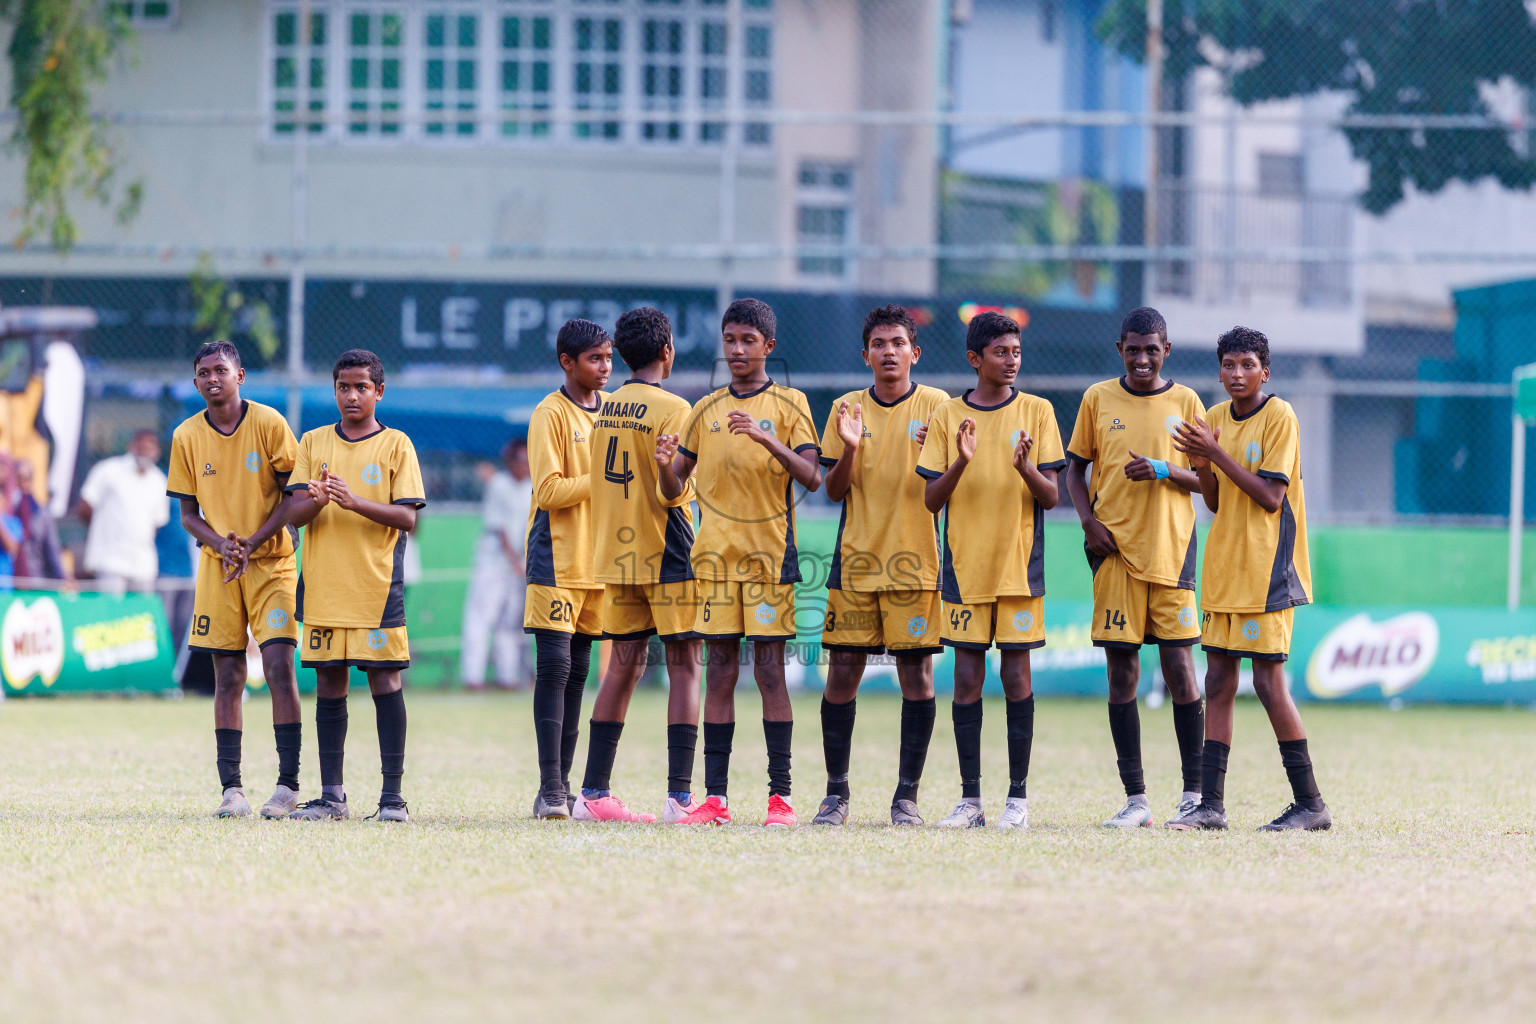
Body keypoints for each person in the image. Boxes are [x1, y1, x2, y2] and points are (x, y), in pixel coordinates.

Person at [658, 297, 823, 828]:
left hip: (768, 561)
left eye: (748, 340)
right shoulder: (703, 410)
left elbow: (813, 476)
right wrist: (665, 467)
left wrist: (764, 436)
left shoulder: (792, 403)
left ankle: (781, 799)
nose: (736, 349)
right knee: (720, 675)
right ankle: (716, 799)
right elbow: (674, 486)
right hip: (714, 563)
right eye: (730, 339)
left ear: (768, 346)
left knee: (771, 674)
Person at [1170, 326, 1331, 831]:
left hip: (1268, 572)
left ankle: (1311, 805)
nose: (1236, 374)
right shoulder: (1214, 418)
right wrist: (1201, 463)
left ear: (1265, 371)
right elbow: (1214, 501)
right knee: (1216, 681)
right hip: (1225, 569)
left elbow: (1270, 498)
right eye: (1228, 365)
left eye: (1247, 365)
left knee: (1267, 683)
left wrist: (1214, 455)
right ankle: (1211, 807)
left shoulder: (1280, 416)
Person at [915, 311, 1065, 830]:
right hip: (964, 569)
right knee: (966, 680)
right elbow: (931, 500)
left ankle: (1017, 801)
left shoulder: (1038, 411)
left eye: (1016, 352)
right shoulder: (948, 415)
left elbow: (1052, 496)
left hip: (1019, 570)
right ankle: (970, 801)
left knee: (1017, 675)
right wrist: (961, 460)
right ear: (975, 359)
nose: (1012, 360)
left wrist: (1025, 467)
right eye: (1001, 352)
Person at [1064, 307, 1208, 829]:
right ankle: (1136, 799)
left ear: (1166, 350)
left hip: (1172, 552)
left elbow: (1207, 482)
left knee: (1179, 671)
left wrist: (1166, 469)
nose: (1143, 358)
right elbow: (1074, 470)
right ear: (1119, 349)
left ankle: (1194, 795)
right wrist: (1087, 522)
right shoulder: (1097, 399)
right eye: (1133, 349)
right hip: (1115, 552)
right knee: (1122, 672)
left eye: (1152, 349)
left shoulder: (1188, 402)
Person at [813, 304, 948, 827]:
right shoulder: (847, 407)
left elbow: (950, 483)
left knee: (915, 676)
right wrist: (848, 449)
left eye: (898, 343)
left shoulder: (938, 406)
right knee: (842, 675)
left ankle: (906, 797)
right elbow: (833, 488)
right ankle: (836, 794)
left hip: (916, 566)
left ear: (915, 352)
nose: (888, 352)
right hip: (856, 564)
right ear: (865, 353)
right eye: (879, 343)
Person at [283, 349, 426, 823]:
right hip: (324, 587)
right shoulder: (313, 441)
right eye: (343, 386)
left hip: (377, 588)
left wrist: (353, 501)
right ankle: (332, 797)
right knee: (329, 681)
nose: (352, 395)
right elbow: (293, 514)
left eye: (362, 386)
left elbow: (407, 517)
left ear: (379, 391)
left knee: (385, 680)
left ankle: (392, 799)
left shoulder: (397, 445)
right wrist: (318, 501)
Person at [165, 340, 306, 820]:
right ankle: (233, 789)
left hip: (272, 564)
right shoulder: (186, 435)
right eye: (203, 372)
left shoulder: (268, 423)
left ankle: (288, 785)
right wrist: (223, 544)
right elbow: (188, 513)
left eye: (220, 370)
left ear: (240, 376)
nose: (211, 379)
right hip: (219, 567)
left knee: (279, 666)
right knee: (227, 677)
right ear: (196, 381)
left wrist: (252, 540)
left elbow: (295, 495)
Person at [573, 306, 701, 824]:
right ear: (667, 350)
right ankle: (679, 799)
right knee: (686, 666)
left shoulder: (604, 408)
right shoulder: (676, 408)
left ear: (623, 355)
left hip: (617, 551)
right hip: (666, 546)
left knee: (623, 666)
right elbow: (677, 490)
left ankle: (592, 792)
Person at [523, 319, 612, 819]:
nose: (604, 367)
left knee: (579, 672)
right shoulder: (549, 414)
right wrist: (603, 479)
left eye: (608, 358)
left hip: (599, 561)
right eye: (595, 359)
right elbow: (550, 490)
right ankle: (549, 788)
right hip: (556, 555)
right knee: (554, 668)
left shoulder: (616, 411)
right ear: (567, 362)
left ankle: (566, 783)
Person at [460, 440, 531, 690]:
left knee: (511, 621)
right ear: (510, 461)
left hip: (520, 564)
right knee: (481, 617)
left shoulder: (533, 488)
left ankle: (508, 677)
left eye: (528, 460)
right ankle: (473, 678)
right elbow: (500, 528)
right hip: (493, 561)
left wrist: (523, 563)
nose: (526, 465)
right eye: (521, 460)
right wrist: (515, 562)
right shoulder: (499, 484)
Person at [77, 429, 170, 592]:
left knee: (142, 614)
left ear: (157, 452)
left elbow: (157, 523)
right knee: (111, 614)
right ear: (131, 446)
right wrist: (103, 531)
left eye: (149, 448)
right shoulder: (109, 470)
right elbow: (85, 507)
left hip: (143, 564)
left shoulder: (159, 481)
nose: (145, 452)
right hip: (110, 560)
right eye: (141, 447)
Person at [10, 458, 67, 580]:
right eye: (19, 478)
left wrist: (63, 577)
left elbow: (52, 548)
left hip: (36, 578)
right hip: (9, 581)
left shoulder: (41, 513)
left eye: (27, 478)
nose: (23, 483)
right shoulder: (8, 511)